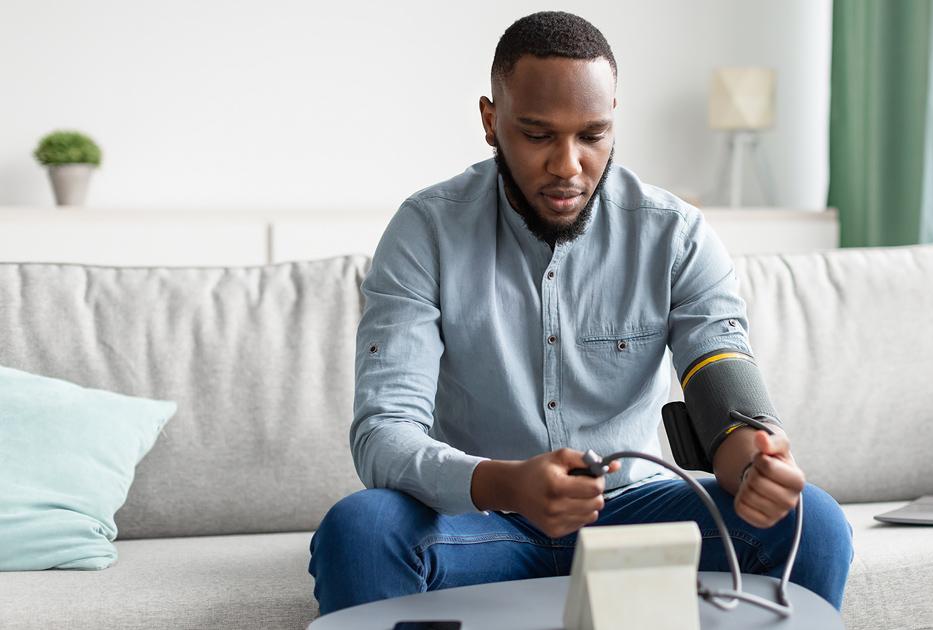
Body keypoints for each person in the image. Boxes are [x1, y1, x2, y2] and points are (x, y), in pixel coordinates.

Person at [308, 10, 853, 616]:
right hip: (485, 519)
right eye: (538, 135)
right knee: (360, 529)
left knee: (817, 521)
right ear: (491, 121)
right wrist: (506, 482)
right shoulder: (425, 232)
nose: (568, 165)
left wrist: (756, 463)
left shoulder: (676, 235)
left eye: (592, 135)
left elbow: (725, 392)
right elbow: (383, 433)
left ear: (614, 117)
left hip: (635, 516)